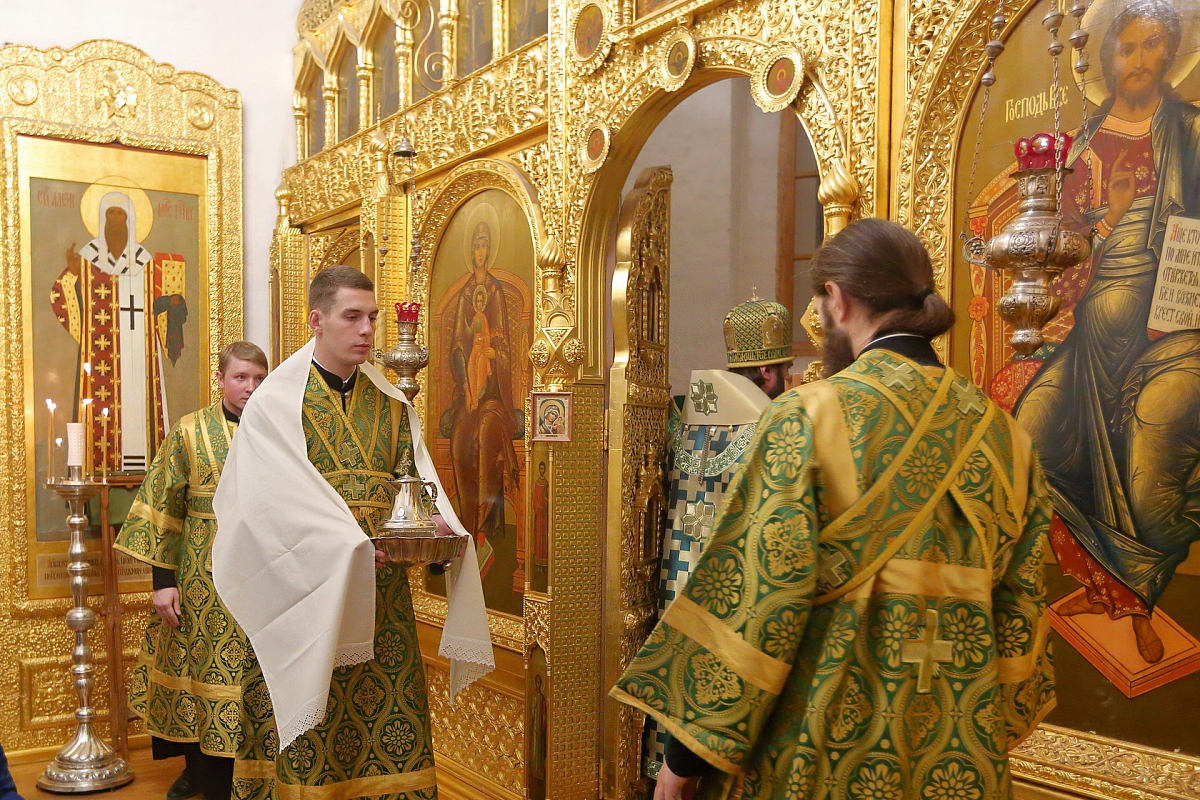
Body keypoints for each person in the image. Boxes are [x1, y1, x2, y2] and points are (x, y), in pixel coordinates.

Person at [612, 219, 1055, 800]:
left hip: (820, 757)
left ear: (838, 300)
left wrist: (681, 761)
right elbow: (1021, 635)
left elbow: (757, 604)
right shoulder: (1009, 439)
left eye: (819, 305)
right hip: (959, 764)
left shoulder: (809, 417)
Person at [213, 266, 492, 800]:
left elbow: (415, 487)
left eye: (373, 318)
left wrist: (435, 531)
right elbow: (259, 511)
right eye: (352, 317)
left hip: (383, 605)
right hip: (301, 601)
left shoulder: (392, 405)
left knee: (387, 735)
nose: (367, 330)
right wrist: (345, 548)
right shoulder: (275, 404)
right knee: (310, 742)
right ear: (316, 321)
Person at [1014, 0, 1200, 663]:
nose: (1140, 61)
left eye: (1153, 45)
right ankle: (1102, 589)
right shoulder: (1084, 142)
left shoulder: (1192, 133)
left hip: (1177, 334)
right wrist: (1109, 221)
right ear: (1109, 57)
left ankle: (1142, 602)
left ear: (1172, 53)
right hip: (1091, 338)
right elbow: (1058, 249)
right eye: (1128, 47)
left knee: (1148, 488)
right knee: (1031, 434)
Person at [641, 294, 794, 778]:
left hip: (675, 580)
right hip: (729, 587)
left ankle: (665, 769)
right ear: (768, 371)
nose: (789, 381)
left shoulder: (683, 415)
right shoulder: (775, 425)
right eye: (786, 370)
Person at [115, 341, 268, 800]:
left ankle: (257, 775)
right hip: (201, 577)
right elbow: (162, 507)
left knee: (254, 677)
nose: (251, 387)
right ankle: (203, 774)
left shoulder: (280, 428)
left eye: (259, 378)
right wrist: (163, 584)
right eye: (241, 377)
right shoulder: (189, 431)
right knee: (199, 674)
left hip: (263, 576)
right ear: (220, 380)